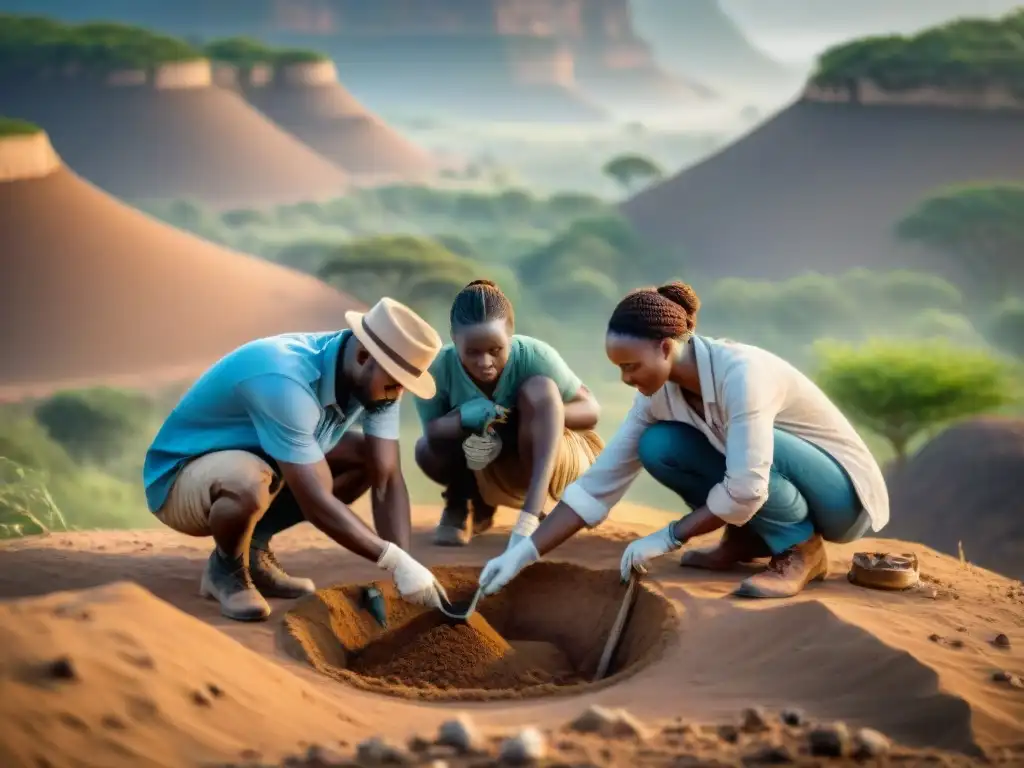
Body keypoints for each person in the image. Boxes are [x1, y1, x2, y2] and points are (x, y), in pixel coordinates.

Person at [476, 281, 890, 599]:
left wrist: (669, 536)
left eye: (632, 366)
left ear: (665, 347)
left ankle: (802, 550)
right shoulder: (658, 395)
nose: (626, 379)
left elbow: (747, 488)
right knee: (659, 446)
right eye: (619, 369)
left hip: (841, 499)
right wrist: (522, 554)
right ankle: (747, 538)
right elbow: (598, 486)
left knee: (754, 451)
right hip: (772, 489)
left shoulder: (742, 376)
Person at [143, 297, 449, 622]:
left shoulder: (377, 379)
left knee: (363, 460)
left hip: (265, 460)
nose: (396, 395)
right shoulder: (286, 379)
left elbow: (385, 477)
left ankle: (254, 546)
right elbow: (316, 500)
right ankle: (226, 569)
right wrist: (393, 561)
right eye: (394, 384)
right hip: (180, 479)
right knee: (249, 480)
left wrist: (407, 568)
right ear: (363, 356)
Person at [414, 279, 604, 548]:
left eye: (495, 351)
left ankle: (533, 514)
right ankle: (464, 503)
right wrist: (464, 416)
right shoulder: (439, 370)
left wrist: (529, 415)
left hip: (544, 456)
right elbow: (432, 435)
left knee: (541, 389)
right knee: (424, 450)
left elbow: (591, 411)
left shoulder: (535, 356)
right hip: (483, 458)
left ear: (511, 335)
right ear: (454, 339)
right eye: (472, 352)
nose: (485, 363)